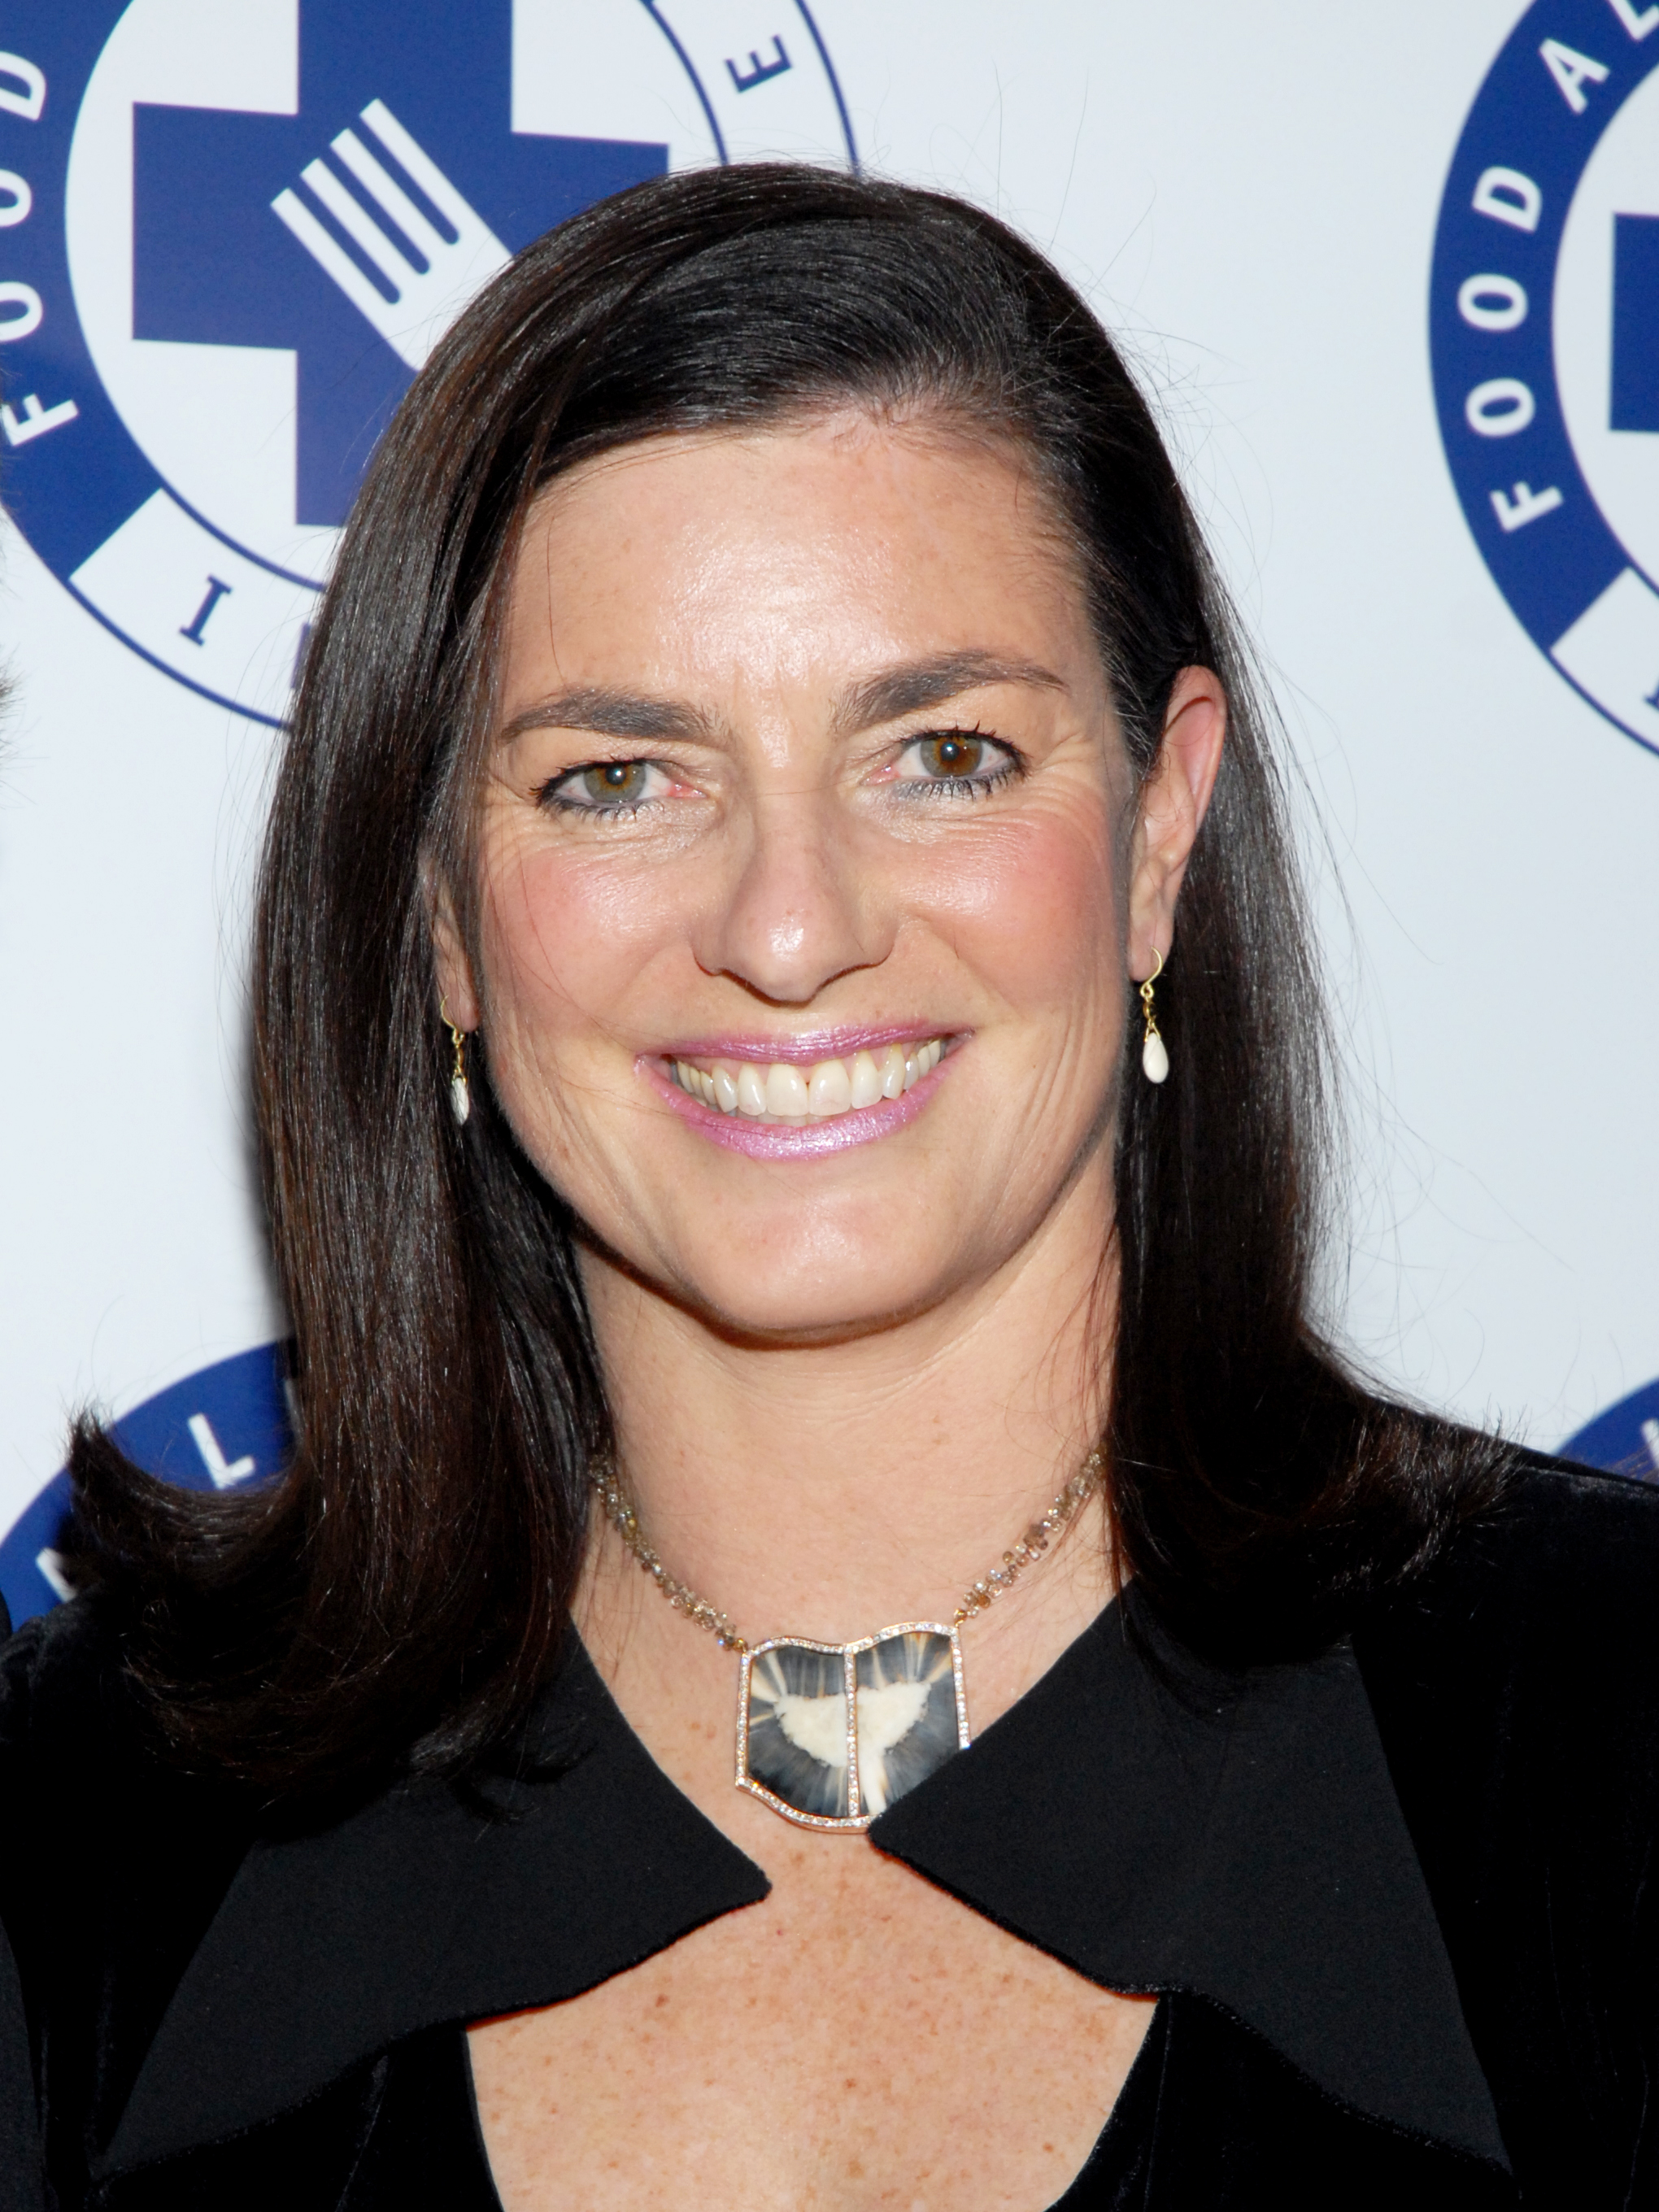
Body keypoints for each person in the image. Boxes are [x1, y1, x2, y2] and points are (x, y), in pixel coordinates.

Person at [2, 163, 1655, 2212]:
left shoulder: (1612, 1742)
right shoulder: (70, 1843)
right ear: (436, 913)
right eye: (619, 777)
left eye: (942, 754)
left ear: (1160, 830)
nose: (789, 929)